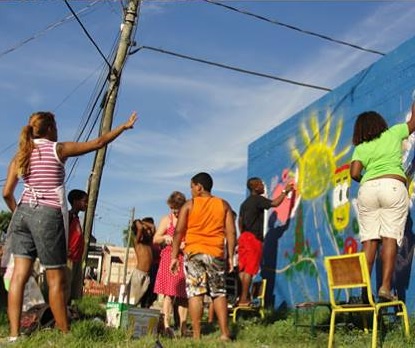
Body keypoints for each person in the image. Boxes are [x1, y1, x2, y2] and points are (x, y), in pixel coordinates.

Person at [2, 110, 137, 341]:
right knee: (57, 279)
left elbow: (6, 193)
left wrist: (22, 213)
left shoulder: (20, 155)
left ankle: (14, 335)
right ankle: (66, 335)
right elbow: (99, 142)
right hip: (48, 214)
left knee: (18, 277)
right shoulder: (58, 149)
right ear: (50, 129)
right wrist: (123, 127)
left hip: (23, 213)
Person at [350, 103, 415, 301]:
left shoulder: (361, 147)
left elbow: (353, 173)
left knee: (369, 241)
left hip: (367, 190)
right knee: (389, 238)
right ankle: (385, 288)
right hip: (392, 185)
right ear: (379, 123)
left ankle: (363, 290)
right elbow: (413, 123)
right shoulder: (393, 133)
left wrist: (368, 182)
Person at [170, 172, 236, 341]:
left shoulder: (189, 205)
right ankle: (224, 334)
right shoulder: (224, 205)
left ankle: (197, 336)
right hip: (216, 253)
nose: (191, 190)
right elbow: (231, 232)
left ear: (199, 187)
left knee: (195, 293)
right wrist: (230, 257)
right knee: (219, 293)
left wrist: (174, 256)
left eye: (192, 186)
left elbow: (178, 232)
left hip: (194, 253)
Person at [238, 177, 293, 307]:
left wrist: (243, 234)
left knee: (243, 269)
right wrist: (286, 191)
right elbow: (274, 203)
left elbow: (239, 221)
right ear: (255, 187)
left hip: (244, 237)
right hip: (253, 239)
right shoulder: (258, 200)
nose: (263, 186)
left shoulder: (244, 204)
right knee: (250, 270)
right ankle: (244, 299)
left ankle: (243, 297)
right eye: (261, 184)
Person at [153, 191, 188, 337]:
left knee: (183, 295)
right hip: (168, 258)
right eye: (172, 208)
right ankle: (166, 325)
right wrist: (165, 237)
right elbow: (156, 239)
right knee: (169, 293)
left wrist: (184, 245)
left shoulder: (189, 220)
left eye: (177, 208)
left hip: (183, 258)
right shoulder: (166, 220)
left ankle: (183, 328)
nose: (174, 211)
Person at [66, 189, 88, 304]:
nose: (86, 204)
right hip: (69, 259)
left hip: (77, 259)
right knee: (66, 288)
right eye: (84, 201)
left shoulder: (77, 219)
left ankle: (68, 312)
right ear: (75, 202)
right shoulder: (68, 216)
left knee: (73, 290)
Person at [127, 218, 154, 306]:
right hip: (138, 275)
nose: (148, 232)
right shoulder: (137, 242)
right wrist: (139, 224)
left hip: (147, 276)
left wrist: (143, 222)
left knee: (144, 300)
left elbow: (153, 227)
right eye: (145, 230)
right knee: (132, 300)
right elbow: (140, 228)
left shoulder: (149, 243)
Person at [139, 217, 160, 309]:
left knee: (153, 291)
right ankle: (144, 306)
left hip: (157, 267)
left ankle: (147, 305)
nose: (148, 230)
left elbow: (153, 227)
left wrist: (143, 222)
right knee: (145, 289)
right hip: (148, 268)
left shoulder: (155, 237)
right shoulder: (144, 239)